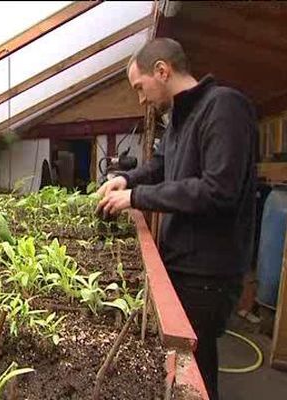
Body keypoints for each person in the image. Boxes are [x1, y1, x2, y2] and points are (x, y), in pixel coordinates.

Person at [96, 38, 256, 400]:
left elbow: (218, 191)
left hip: (208, 273)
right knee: (191, 367)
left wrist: (136, 197)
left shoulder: (224, 108)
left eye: (140, 87)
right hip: (184, 263)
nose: (140, 98)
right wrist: (127, 180)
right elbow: (161, 165)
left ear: (162, 71)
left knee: (192, 373)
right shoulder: (182, 117)